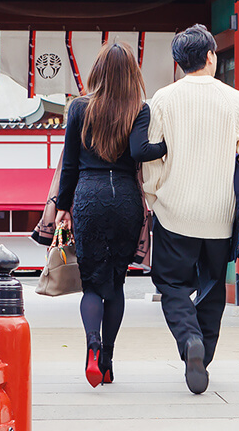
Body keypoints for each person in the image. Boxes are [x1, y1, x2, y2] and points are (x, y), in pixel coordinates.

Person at [142, 24, 239, 394]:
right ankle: (203, 353)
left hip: (174, 212)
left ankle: (188, 339)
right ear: (211, 56)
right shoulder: (235, 99)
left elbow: (151, 159)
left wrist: (154, 196)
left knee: (171, 284)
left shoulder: (162, 100)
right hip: (220, 216)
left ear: (179, 63)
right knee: (213, 287)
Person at [55, 42, 166, 388]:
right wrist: (168, 145)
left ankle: (92, 346)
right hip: (125, 200)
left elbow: (69, 164)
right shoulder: (140, 109)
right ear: (132, 75)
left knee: (91, 282)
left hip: (88, 196)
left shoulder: (78, 108)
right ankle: (108, 362)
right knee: (115, 283)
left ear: (97, 73)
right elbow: (139, 152)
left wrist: (62, 208)